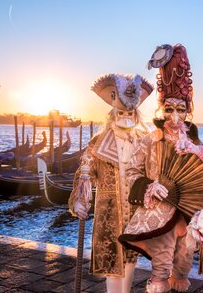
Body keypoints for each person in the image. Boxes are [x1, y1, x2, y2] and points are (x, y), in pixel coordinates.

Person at [118, 44, 203, 293]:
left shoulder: (195, 144)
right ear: (162, 109)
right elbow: (131, 171)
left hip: (189, 211)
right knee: (161, 266)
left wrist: (199, 158)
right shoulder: (150, 140)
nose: (174, 116)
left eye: (180, 110)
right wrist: (149, 185)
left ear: (187, 112)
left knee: (183, 262)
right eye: (169, 109)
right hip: (159, 210)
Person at [68, 73, 154, 293]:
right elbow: (84, 174)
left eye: (130, 113)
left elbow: (153, 173)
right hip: (109, 214)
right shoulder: (98, 143)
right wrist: (80, 200)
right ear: (113, 114)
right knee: (113, 265)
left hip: (135, 212)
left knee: (131, 261)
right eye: (121, 112)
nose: (125, 116)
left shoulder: (144, 142)